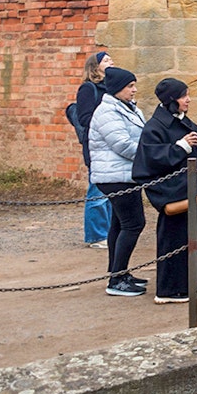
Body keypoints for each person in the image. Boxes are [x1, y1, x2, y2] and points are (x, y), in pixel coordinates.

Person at [133, 78, 197, 304]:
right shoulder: (154, 127)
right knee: (172, 241)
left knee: (191, 238)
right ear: (171, 100)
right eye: (183, 96)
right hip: (171, 192)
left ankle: (189, 283)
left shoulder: (186, 123)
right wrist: (181, 147)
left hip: (187, 190)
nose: (188, 99)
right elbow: (151, 160)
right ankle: (169, 289)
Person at [88, 67, 148, 297]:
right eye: (130, 86)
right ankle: (116, 279)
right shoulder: (107, 112)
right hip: (115, 177)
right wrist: (150, 157)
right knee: (134, 224)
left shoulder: (128, 108)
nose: (134, 90)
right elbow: (122, 144)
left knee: (119, 224)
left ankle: (119, 273)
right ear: (117, 88)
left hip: (124, 175)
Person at [75, 51, 114, 248]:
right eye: (106, 60)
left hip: (112, 144)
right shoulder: (88, 89)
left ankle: (109, 231)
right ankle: (97, 235)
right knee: (97, 191)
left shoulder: (113, 88)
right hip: (97, 145)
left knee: (111, 191)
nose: (111, 62)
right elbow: (84, 118)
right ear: (95, 66)